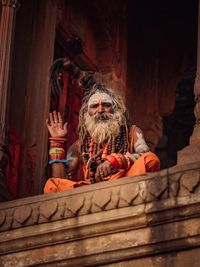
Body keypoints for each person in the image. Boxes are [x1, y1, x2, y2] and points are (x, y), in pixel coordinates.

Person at [44, 62, 160, 193]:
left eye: (105, 104)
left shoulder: (132, 132)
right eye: (94, 106)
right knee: (52, 184)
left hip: (123, 184)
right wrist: (57, 143)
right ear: (87, 114)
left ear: (116, 109)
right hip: (90, 191)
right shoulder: (80, 145)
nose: (100, 110)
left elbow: (147, 156)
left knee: (150, 159)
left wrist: (115, 161)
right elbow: (60, 179)